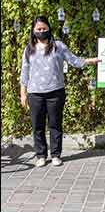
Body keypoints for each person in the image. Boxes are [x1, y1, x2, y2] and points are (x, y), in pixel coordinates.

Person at [20, 15, 100, 167]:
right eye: (38, 29)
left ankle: (56, 154)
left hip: (55, 92)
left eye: (44, 28)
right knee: (37, 125)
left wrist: (90, 61)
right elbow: (24, 72)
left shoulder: (59, 46)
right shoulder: (29, 49)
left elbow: (74, 60)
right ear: (33, 30)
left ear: (49, 29)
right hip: (35, 93)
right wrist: (23, 93)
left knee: (55, 124)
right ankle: (41, 155)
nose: (41, 31)